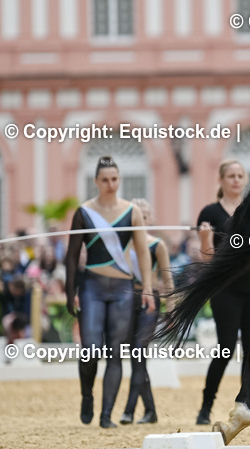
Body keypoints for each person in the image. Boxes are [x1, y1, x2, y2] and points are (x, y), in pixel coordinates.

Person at [64, 156, 155, 428]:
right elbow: (71, 257)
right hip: (92, 287)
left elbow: (142, 252)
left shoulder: (132, 212)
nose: (110, 184)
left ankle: (106, 416)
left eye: (114, 179)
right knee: (91, 351)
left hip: (123, 290)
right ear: (96, 182)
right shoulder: (84, 212)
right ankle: (87, 395)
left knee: (115, 353)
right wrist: (70, 293)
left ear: (119, 180)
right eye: (105, 180)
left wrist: (148, 289)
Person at [195, 159, 250, 426]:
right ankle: (205, 408)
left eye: (240, 175)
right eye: (231, 175)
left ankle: (248, 406)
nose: (236, 180)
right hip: (225, 290)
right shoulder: (210, 213)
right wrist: (205, 239)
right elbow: (207, 261)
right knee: (225, 349)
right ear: (222, 180)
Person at [120, 199, 174, 425]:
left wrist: (171, 310)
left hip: (149, 301)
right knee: (136, 358)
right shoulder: (121, 245)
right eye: (136, 215)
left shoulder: (157, 245)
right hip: (125, 302)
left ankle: (129, 411)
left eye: (145, 215)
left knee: (139, 352)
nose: (141, 219)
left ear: (150, 219)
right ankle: (150, 410)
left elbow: (167, 278)